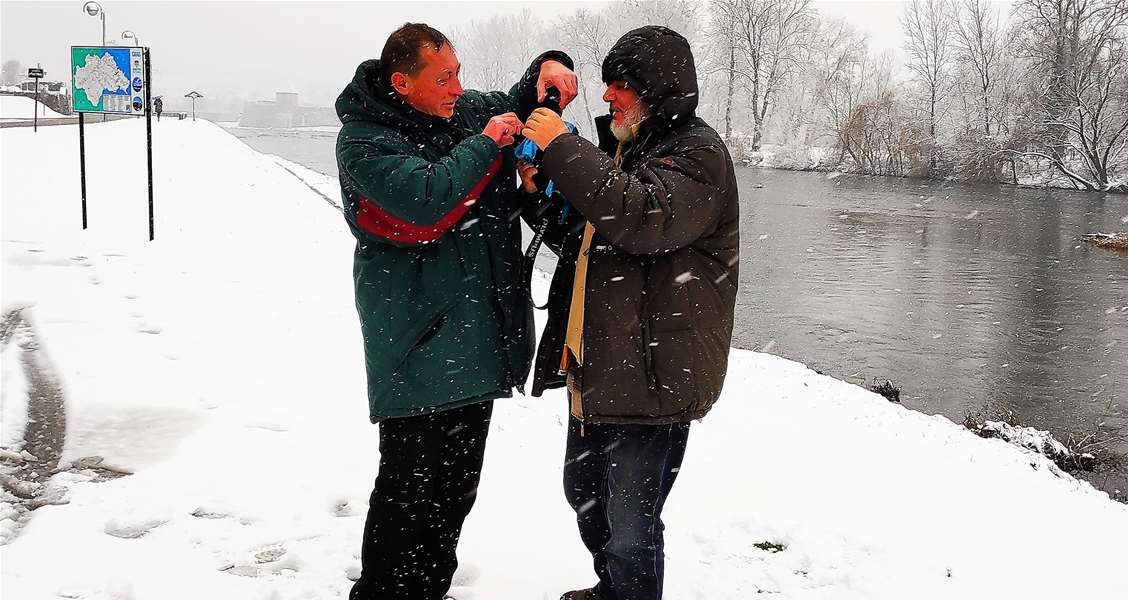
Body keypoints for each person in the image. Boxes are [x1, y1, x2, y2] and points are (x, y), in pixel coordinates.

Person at [334, 23, 576, 600]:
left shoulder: (463, 112)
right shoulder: (364, 142)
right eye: (443, 78)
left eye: (459, 72)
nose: (457, 86)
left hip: (478, 339)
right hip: (417, 346)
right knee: (406, 494)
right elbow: (426, 198)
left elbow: (520, 96)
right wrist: (487, 143)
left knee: (455, 492)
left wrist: (550, 64)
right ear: (401, 82)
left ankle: (431, 588)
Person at [520, 25, 740, 600]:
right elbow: (589, 229)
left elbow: (639, 216)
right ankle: (611, 590)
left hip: (653, 373)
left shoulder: (700, 155)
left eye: (620, 86)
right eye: (608, 84)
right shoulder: (629, 148)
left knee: (632, 526)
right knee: (585, 494)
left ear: (657, 91)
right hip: (601, 365)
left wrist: (562, 148)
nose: (608, 96)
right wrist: (541, 190)